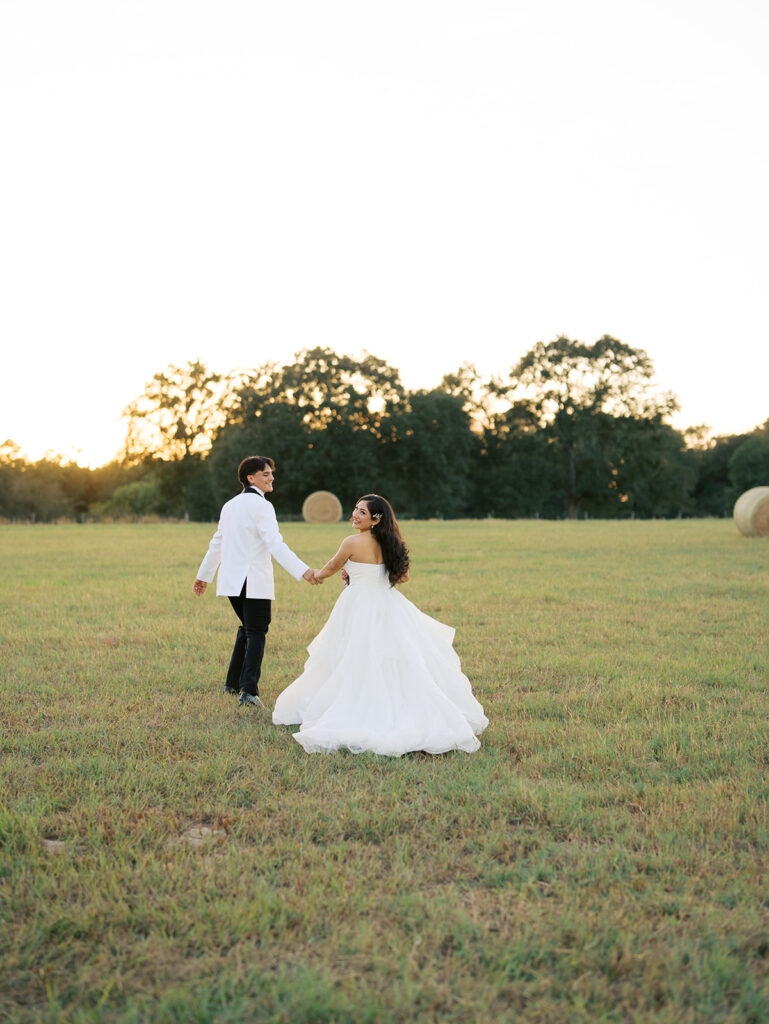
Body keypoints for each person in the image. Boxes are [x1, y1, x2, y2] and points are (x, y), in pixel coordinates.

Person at [273, 494, 488, 754]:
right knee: (394, 654)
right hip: (387, 602)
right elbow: (403, 577)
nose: (354, 515)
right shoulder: (392, 542)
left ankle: (358, 705)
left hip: (358, 604)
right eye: (355, 510)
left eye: (362, 512)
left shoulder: (351, 541)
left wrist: (316, 576)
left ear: (376, 519)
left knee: (355, 653)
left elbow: (331, 566)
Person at [193, 455, 319, 708]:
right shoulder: (262, 506)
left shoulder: (229, 505)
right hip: (252, 580)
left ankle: (232, 683)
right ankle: (248, 690)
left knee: (248, 628)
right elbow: (275, 543)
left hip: (231, 582)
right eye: (266, 474)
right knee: (257, 631)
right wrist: (303, 570)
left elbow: (217, 543)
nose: (271, 477)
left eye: (271, 473)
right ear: (250, 478)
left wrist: (203, 576)